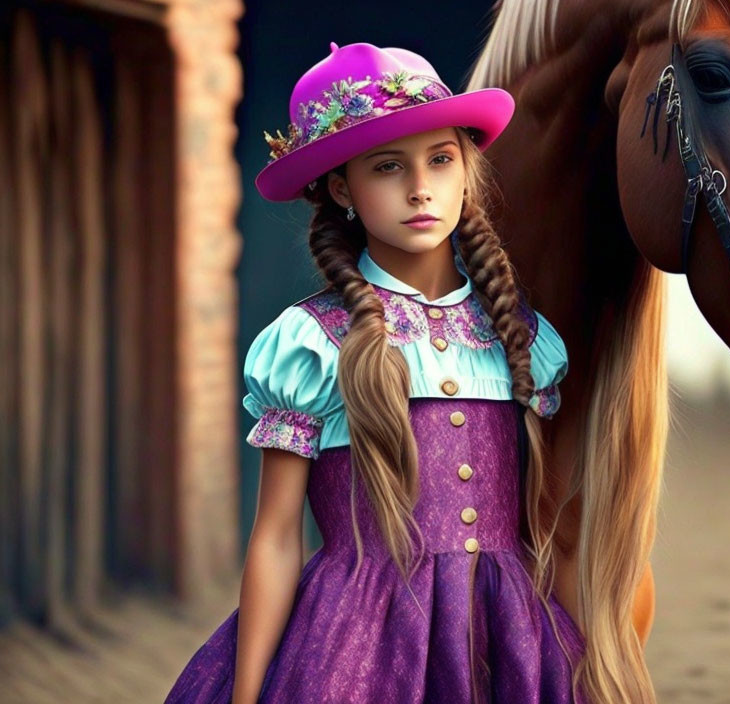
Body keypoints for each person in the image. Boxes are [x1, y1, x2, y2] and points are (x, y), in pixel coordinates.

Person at [165, 41, 585, 704]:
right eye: (388, 167)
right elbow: (276, 536)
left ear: (466, 171)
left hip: (507, 639)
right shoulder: (312, 345)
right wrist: (246, 695)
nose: (420, 187)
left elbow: (554, 525)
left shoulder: (522, 338)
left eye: (441, 160)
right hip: (354, 650)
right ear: (343, 190)